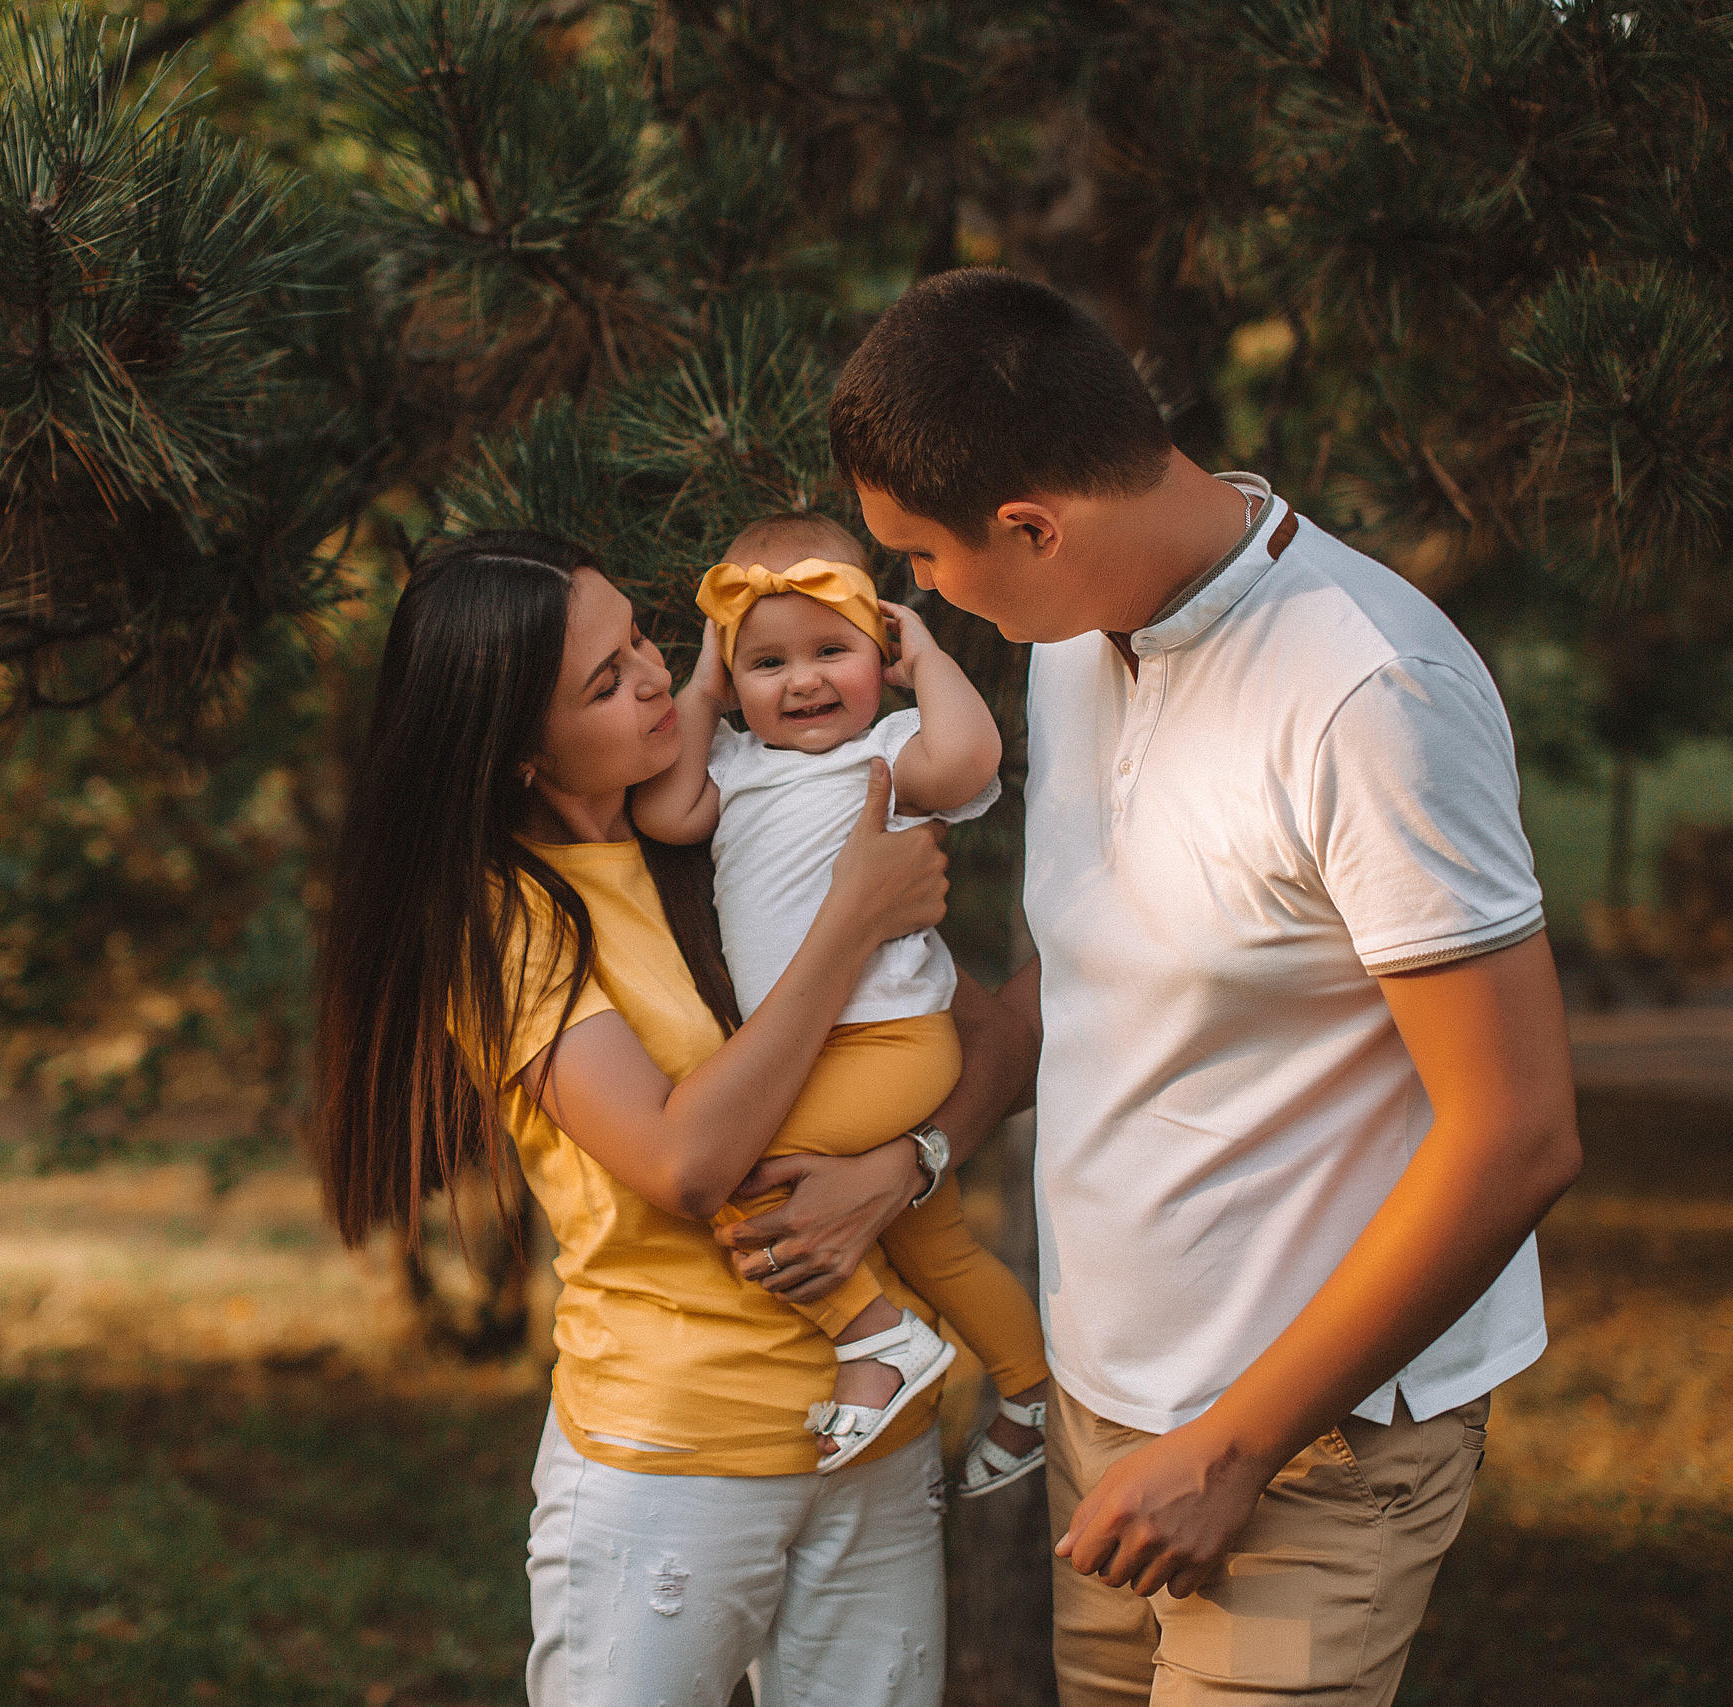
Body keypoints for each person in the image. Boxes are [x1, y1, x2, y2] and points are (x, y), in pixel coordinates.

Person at [808, 269, 1585, 1706]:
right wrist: (912, 1154)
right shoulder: (1071, 639)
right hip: (1107, 1415)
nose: (919, 592)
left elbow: (1518, 1132)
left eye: (921, 555)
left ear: (1032, 526)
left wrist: (1233, 1449)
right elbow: (1089, 978)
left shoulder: (1369, 695)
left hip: (1306, 1445)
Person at [313, 531, 1040, 1707]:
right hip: (675, 1453)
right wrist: (851, 919)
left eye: (642, 642)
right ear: (517, 754)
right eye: (606, 682)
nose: (656, 678)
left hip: (875, 1433)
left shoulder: (751, 802)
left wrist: (911, 1165)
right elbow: (684, 1161)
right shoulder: (504, 922)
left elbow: (992, 1043)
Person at [633, 510, 1056, 1492]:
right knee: (940, 1249)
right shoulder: (734, 766)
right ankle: (1034, 1392)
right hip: (823, 1055)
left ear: (880, 647)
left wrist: (930, 660)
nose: (803, 681)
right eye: (765, 664)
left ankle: (875, 1338)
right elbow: (666, 808)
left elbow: (971, 760)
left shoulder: (893, 752)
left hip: (892, 1044)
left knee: (737, 1168)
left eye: (832, 651)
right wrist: (702, 688)